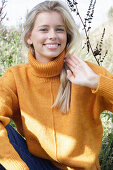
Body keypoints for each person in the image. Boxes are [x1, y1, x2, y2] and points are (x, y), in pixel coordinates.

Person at [0, 0, 113, 170]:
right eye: (44, 29)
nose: (52, 35)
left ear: (67, 35)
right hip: (36, 165)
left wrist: (96, 82)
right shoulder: (16, 76)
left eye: (59, 29)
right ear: (30, 37)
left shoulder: (87, 72)